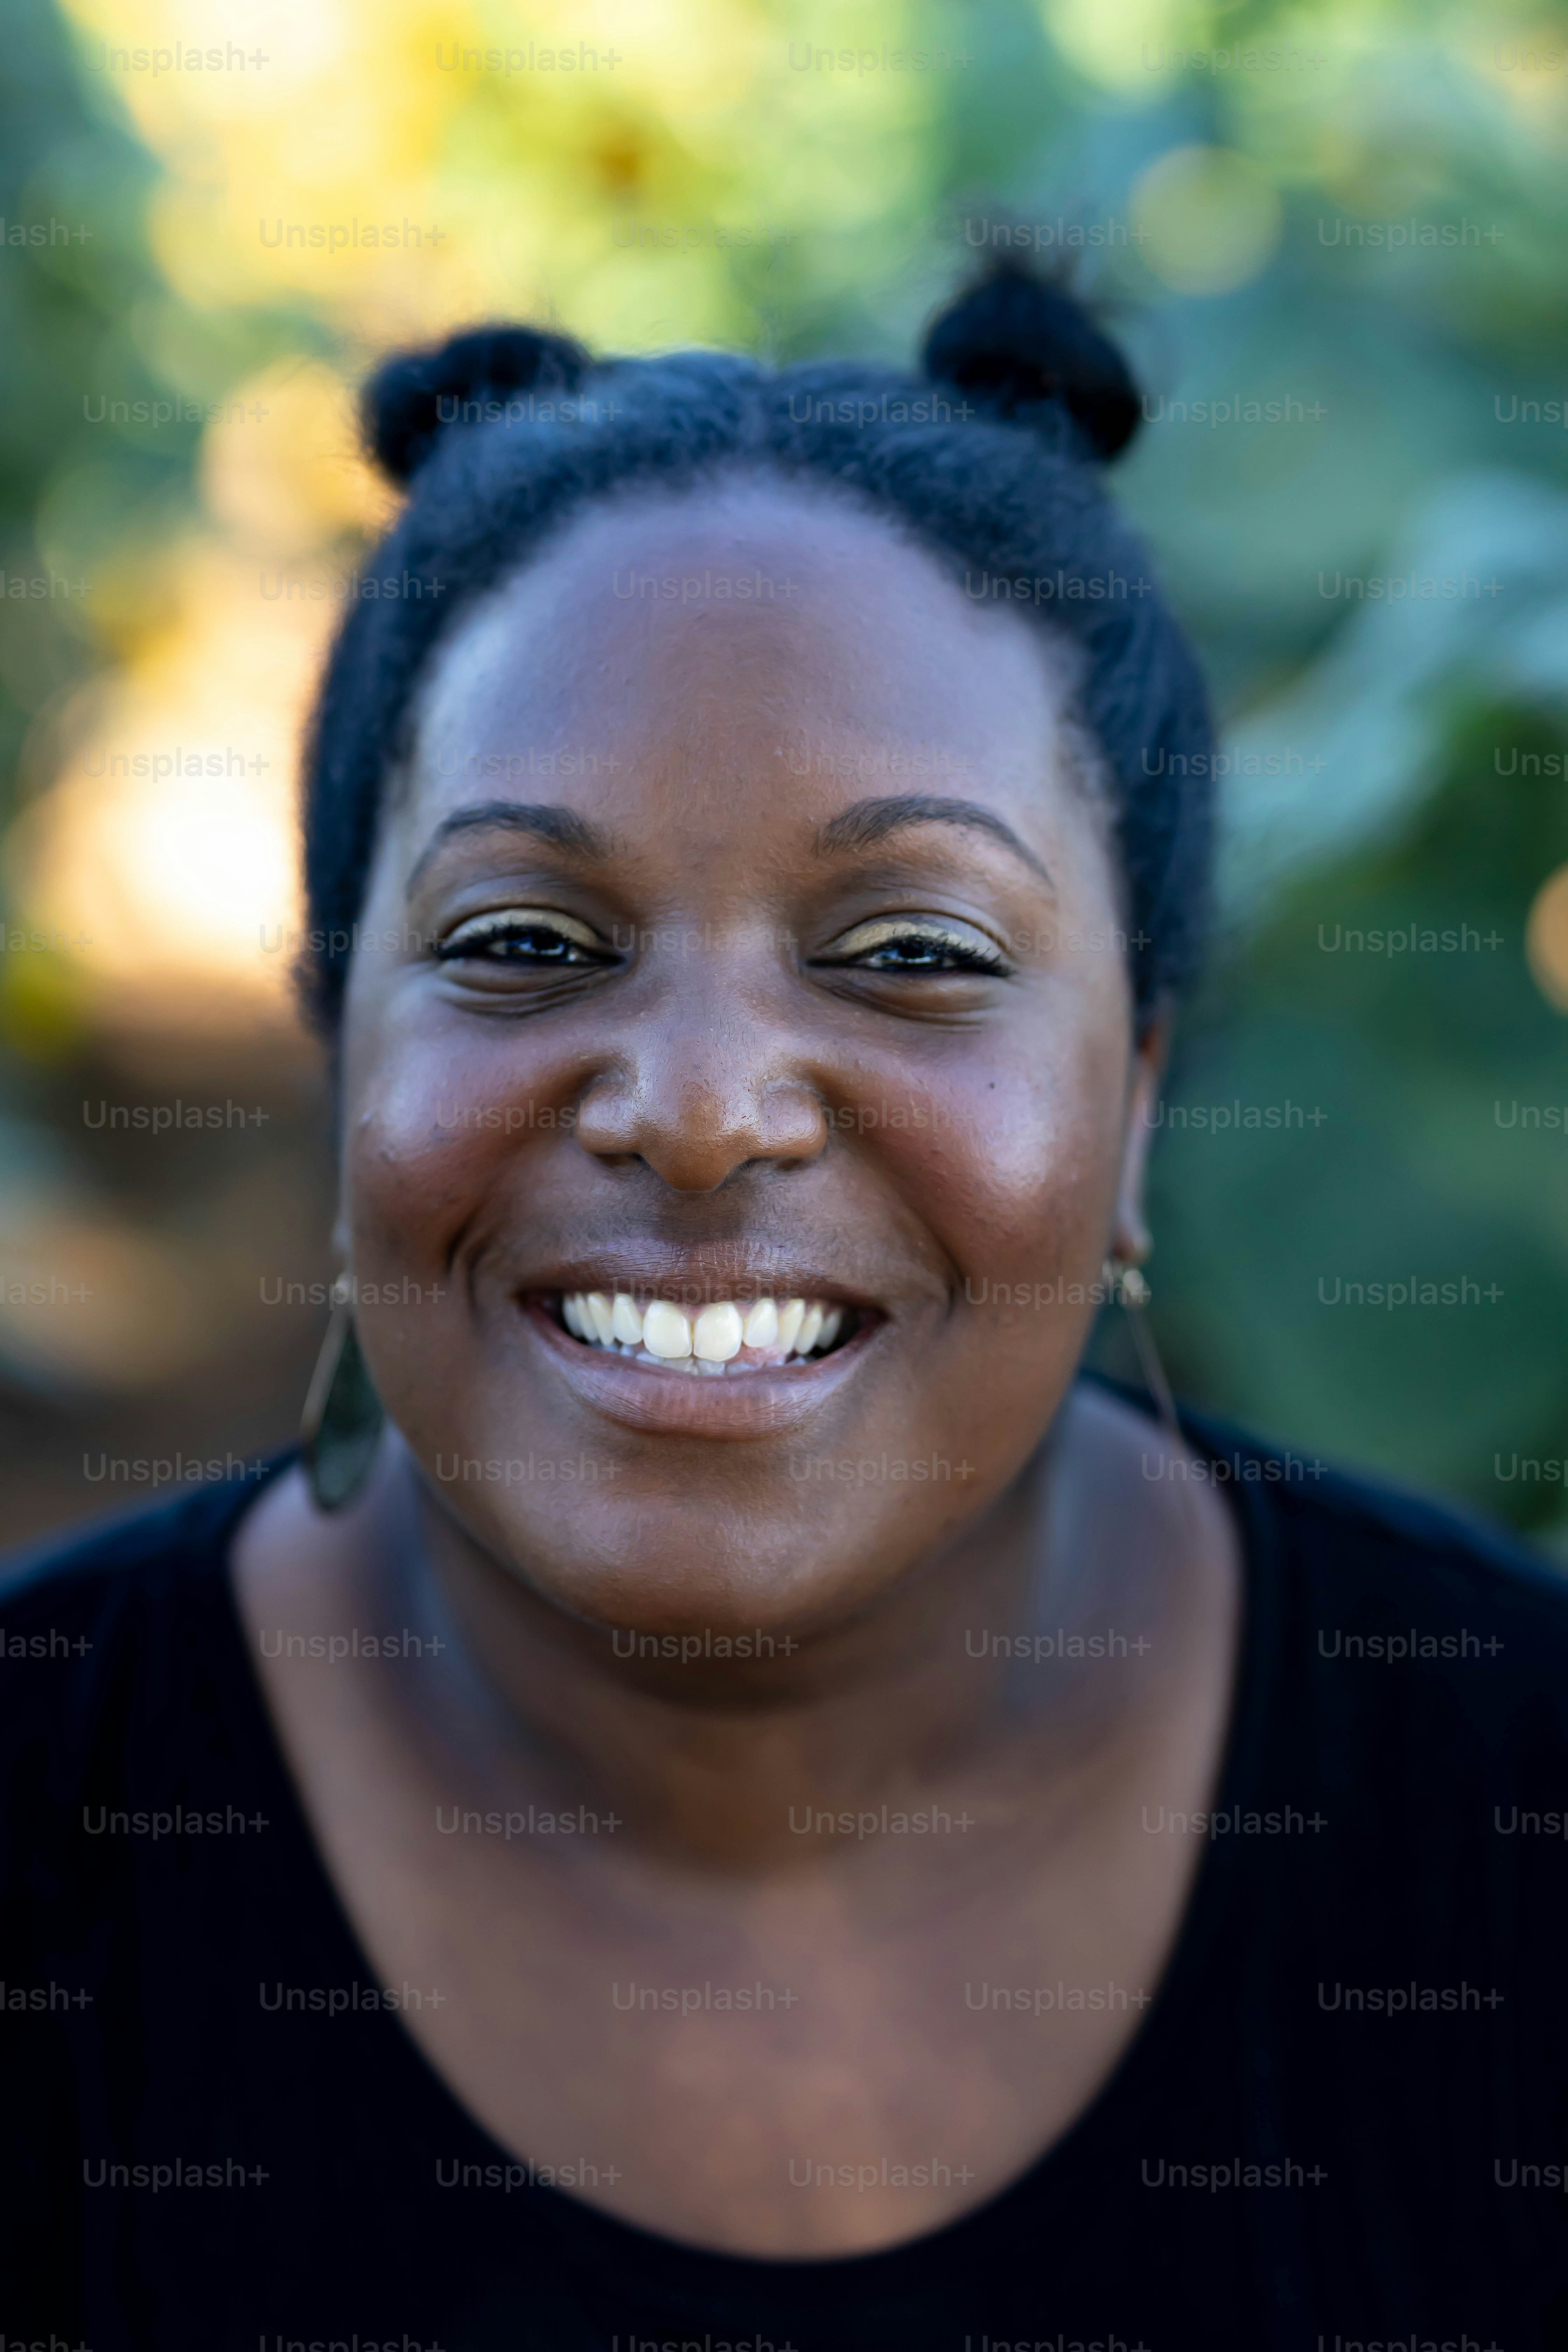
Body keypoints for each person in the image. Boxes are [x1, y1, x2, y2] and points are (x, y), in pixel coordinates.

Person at [4, 260, 1566, 2352]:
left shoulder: (1505, 1816)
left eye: (912, 952)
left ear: (1135, 1102)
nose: (705, 1113)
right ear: (342, 1048)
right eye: (530, 939)